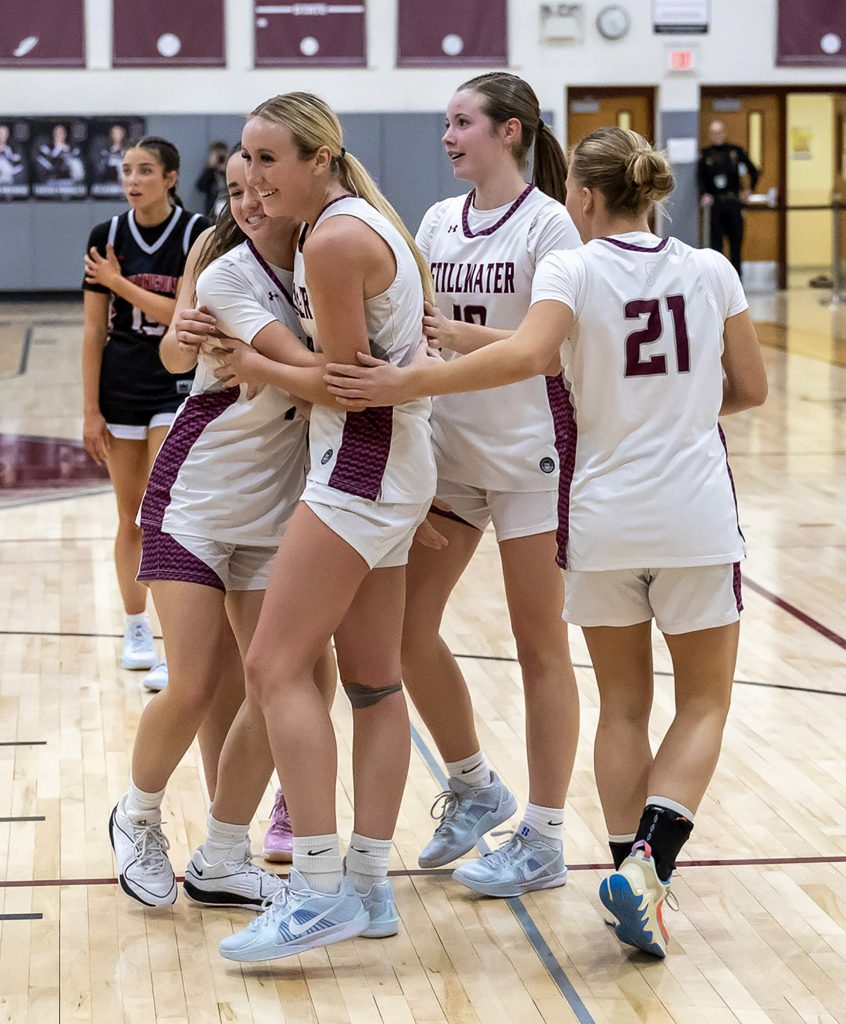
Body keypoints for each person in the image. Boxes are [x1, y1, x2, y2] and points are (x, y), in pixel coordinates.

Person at [325, 126, 768, 959]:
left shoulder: (573, 266)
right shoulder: (711, 270)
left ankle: (634, 883)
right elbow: (749, 388)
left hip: (601, 516)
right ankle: (647, 870)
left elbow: (533, 355)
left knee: (624, 705)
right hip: (696, 512)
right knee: (704, 701)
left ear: (589, 199)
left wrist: (407, 377)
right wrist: (670, 413)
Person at [212, 91, 437, 962]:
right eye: (247, 159)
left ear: (319, 158)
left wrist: (253, 361)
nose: (255, 178)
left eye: (270, 160)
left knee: (274, 666)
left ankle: (314, 891)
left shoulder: (337, 239)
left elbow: (344, 384)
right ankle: (370, 889)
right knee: (376, 684)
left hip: (361, 466)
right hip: (391, 468)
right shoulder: (349, 227)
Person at [108, 148, 336, 908]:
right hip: (198, 494)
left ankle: (224, 846)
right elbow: (183, 350)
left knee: (278, 681)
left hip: (278, 505)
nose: (247, 201)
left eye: (258, 187)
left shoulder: (324, 251)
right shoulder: (224, 262)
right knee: (198, 682)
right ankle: (137, 818)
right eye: (235, 190)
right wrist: (191, 335)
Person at [396, 71, 581, 898]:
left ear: (510, 132)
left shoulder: (552, 226)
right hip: (450, 453)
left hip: (532, 460)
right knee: (404, 629)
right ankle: (475, 786)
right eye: (446, 122)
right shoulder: (437, 220)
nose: (448, 135)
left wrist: (452, 340)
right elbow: (421, 335)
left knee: (538, 645)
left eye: (463, 121)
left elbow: (539, 348)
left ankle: (543, 837)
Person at [81, 136, 209, 690]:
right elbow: (92, 330)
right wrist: (89, 409)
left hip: (175, 380)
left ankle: (173, 640)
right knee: (129, 515)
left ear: (172, 177)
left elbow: (182, 312)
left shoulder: (196, 233)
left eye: (146, 170)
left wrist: (118, 283)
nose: (133, 180)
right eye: (127, 170)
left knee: (165, 511)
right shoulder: (105, 237)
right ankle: (136, 629)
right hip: (122, 382)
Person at [698, 120, 759, 277]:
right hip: (716, 206)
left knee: (736, 247)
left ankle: (737, 283)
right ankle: (717, 282)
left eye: (720, 132)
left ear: (724, 133)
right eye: (713, 133)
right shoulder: (706, 155)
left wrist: (749, 190)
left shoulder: (735, 152)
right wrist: (704, 194)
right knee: (715, 248)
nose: (717, 136)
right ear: (710, 135)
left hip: (733, 203)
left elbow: (754, 171)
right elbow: (700, 179)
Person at [195, 141, 229, 218]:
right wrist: (210, 167)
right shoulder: (210, 171)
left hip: (229, 208)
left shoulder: (229, 170)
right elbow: (200, 187)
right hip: (213, 211)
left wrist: (226, 170)